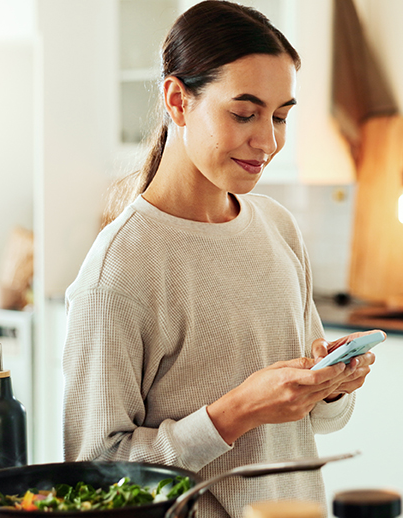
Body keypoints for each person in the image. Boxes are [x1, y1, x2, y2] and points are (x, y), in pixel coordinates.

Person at [61, 2, 377, 517]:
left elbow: (313, 425)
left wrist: (330, 388)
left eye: (280, 116)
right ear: (177, 100)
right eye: (244, 113)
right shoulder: (118, 272)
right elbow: (94, 478)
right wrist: (236, 412)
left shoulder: (277, 228)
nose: (268, 141)